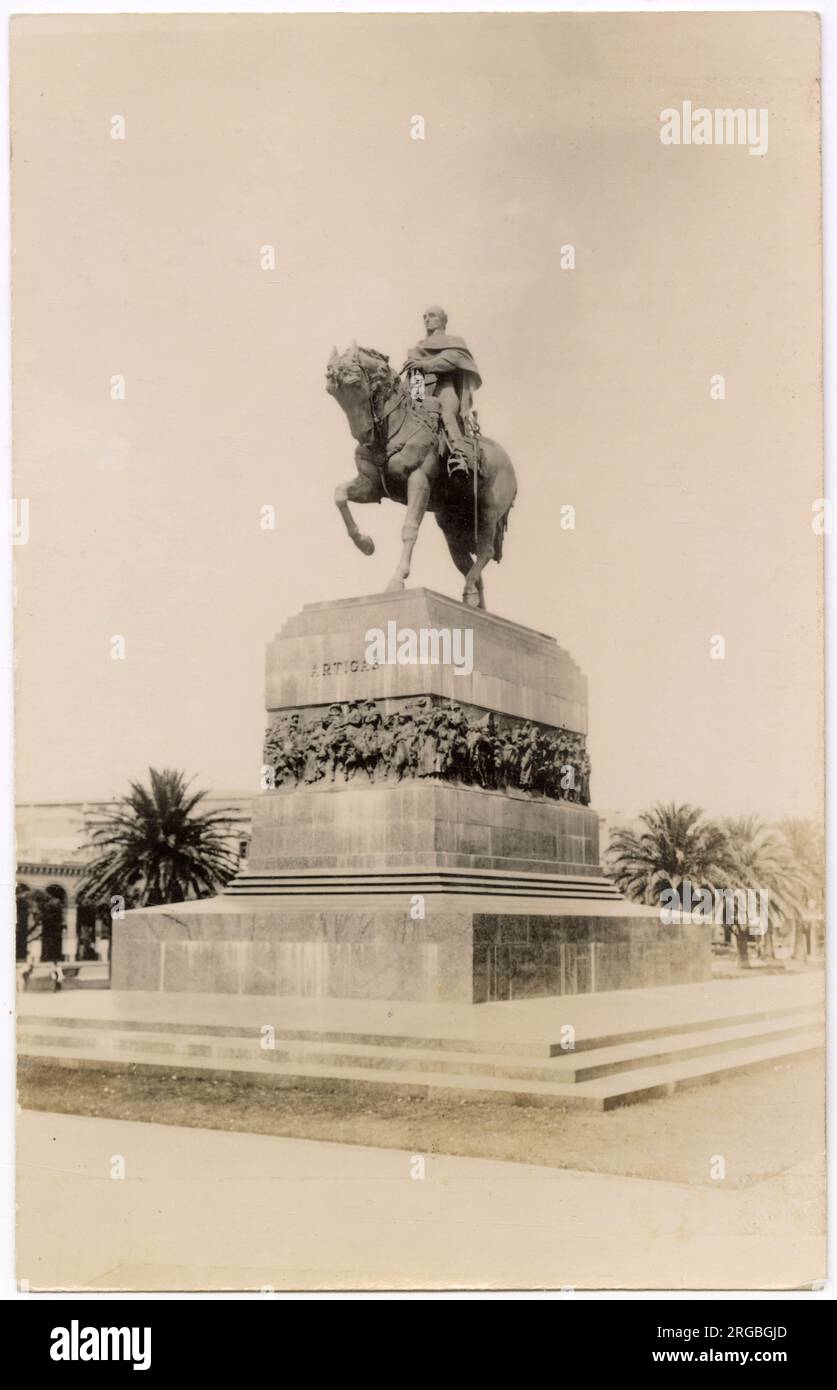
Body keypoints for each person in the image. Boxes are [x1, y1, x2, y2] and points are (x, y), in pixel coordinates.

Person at [403, 306, 482, 472]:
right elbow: (415, 376)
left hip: (445, 388)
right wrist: (413, 396)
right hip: (422, 389)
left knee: (447, 414)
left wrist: (423, 364)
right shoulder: (417, 348)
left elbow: (450, 361)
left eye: (432, 316)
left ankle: (460, 456)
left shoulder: (454, 342)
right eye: (424, 316)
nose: (426, 319)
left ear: (443, 321)